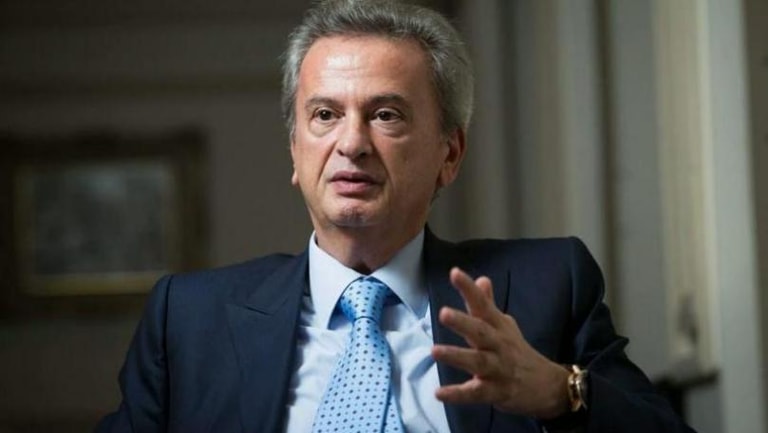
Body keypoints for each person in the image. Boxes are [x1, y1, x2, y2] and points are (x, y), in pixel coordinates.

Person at [96, 1, 696, 432]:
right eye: (325, 115)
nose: (351, 143)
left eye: (386, 115)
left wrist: (561, 393)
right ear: (294, 151)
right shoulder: (188, 319)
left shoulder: (547, 286)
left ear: (449, 154)